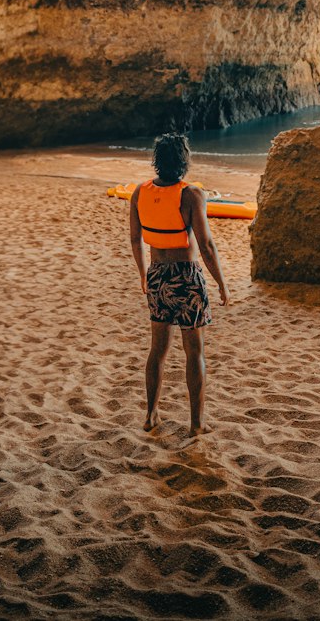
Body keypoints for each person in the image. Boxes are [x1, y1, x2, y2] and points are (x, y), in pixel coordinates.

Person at [129, 131, 229, 436]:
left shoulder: (139, 192)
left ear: (157, 161)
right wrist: (222, 285)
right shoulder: (191, 195)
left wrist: (144, 273)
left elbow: (135, 239)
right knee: (194, 351)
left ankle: (151, 415)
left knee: (157, 349)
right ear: (185, 160)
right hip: (186, 277)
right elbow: (207, 246)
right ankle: (197, 424)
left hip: (158, 273)